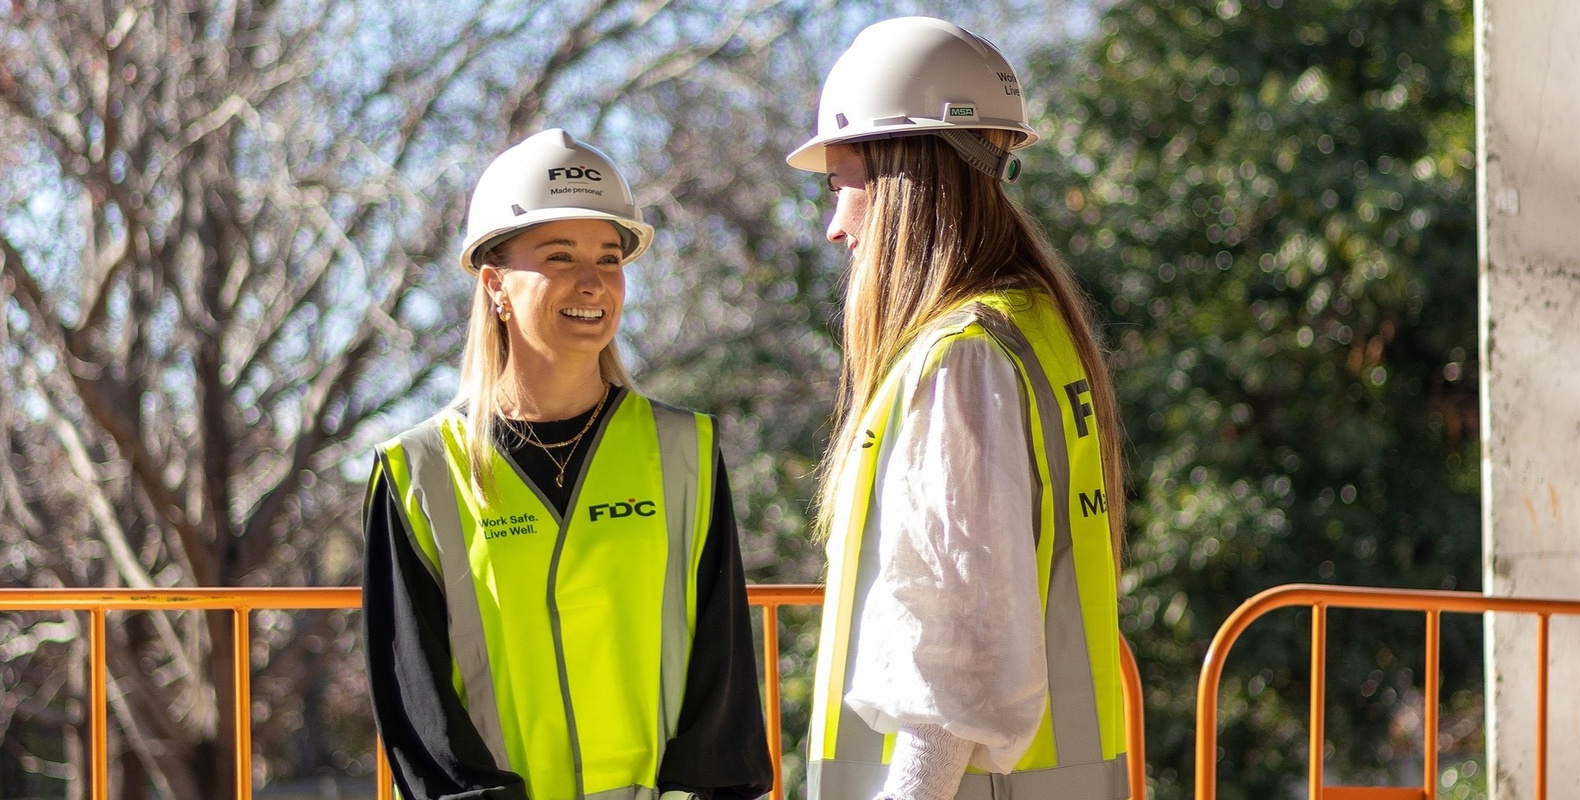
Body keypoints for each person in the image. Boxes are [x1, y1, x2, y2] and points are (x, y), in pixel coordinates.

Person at [363, 128, 772, 800]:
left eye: (609, 259)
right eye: (559, 256)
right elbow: (423, 720)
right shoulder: (418, 473)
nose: (593, 282)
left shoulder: (684, 450)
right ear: (494, 285)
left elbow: (720, 685)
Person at [787, 17, 1130, 800]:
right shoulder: (1033, 329)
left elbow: (960, 659)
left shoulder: (962, 360)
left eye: (842, 184)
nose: (835, 225)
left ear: (906, 176)